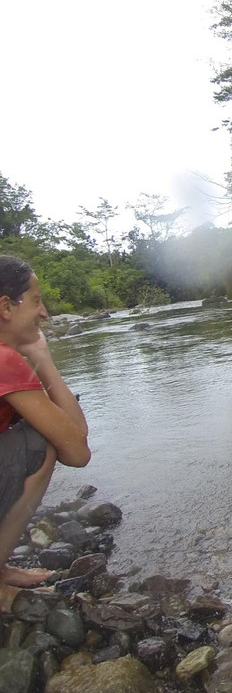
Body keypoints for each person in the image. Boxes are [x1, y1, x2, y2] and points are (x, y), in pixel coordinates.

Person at [0, 256, 89, 612]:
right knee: (42, 443)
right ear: (7, 307)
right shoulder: (5, 361)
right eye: (36, 301)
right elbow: (76, 451)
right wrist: (44, 359)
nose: (44, 313)